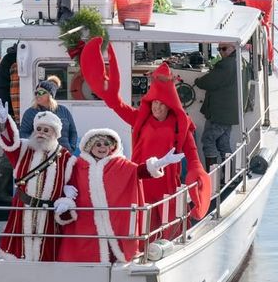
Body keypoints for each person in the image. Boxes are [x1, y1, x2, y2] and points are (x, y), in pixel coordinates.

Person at [79, 37, 212, 236]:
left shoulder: (181, 125)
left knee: (171, 231)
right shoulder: (140, 119)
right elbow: (117, 105)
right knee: (140, 228)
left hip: (168, 187)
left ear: (170, 105)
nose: (157, 108)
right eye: (154, 103)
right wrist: (108, 92)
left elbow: (193, 158)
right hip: (141, 182)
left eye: (161, 104)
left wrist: (197, 175)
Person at [55, 128, 184, 263]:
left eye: (106, 144)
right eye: (98, 144)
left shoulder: (120, 164)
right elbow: (65, 181)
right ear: (90, 147)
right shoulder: (77, 165)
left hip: (116, 222)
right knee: (83, 255)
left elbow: (138, 171)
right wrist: (65, 195)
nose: (102, 147)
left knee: (115, 252)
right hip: (85, 223)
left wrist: (160, 162)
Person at [0, 99, 77, 261]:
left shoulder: (65, 156)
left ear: (55, 134)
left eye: (46, 130)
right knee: (19, 250)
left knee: (47, 253)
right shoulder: (23, 148)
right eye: (38, 129)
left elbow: (75, 180)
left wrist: (67, 195)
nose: (41, 133)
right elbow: (9, 142)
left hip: (49, 214)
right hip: (22, 209)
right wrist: (4, 122)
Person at [194, 43, 247, 170]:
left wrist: (197, 81)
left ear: (233, 47)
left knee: (208, 141)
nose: (221, 52)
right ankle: (229, 176)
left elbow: (208, 82)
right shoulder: (241, 61)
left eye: (224, 49)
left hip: (220, 113)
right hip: (231, 113)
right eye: (219, 49)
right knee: (223, 144)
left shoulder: (226, 64)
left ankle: (211, 177)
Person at [0, 45, 20, 203]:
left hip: (3, 107)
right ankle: (1, 192)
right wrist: (17, 117)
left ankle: (3, 189)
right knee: (10, 149)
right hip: (6, 109)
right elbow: (15, 91)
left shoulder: (10, 58)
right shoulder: (15, 62)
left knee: (10, 148)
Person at [19, 76, 79, 154]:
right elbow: (23, 134)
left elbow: (73, 132)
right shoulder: (30, 112)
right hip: (41, 155)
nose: (37, 95)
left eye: (41, 92)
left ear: (50, 95)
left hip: (64, 154)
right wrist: (34, 149)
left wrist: (71, 148)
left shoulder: (64, 110)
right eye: (36, 93)